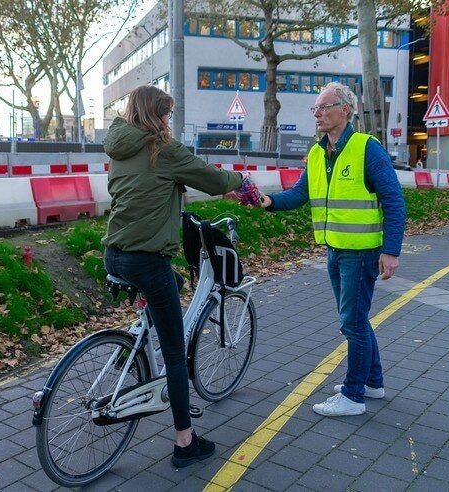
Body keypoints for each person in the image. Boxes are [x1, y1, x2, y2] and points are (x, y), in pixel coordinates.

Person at [101, 85, 243, 466]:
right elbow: (208, 177)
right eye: (165, 114)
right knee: (176, 354)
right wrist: (239, 182)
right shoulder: (160, 148)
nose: (168, 121)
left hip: (114, 254)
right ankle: (185, 442)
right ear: (154, 116)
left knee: (172, 286)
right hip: (146, 259)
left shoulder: (118, 148)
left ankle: (135, 349)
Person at [255, 82, 406, 416]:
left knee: (352, 324)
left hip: (362, 251)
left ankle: (353, 397)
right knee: (357, 320)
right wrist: (267, 202)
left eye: (324, 107)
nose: (317, 114)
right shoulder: (317, 152)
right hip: (334, 249)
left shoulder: (368, 148)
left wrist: (391, 250)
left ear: (345, 110)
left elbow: (395, 201)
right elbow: (299, 194)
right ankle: (372, 382)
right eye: (315, 109)